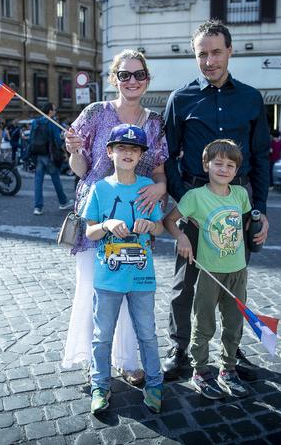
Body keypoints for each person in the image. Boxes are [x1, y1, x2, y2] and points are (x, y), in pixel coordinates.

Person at [161, 19, 269, 381]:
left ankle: (230, 351)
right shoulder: (180, 99)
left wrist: (260, 212)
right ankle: (180, 350)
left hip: (237, 205)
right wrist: (187, 197)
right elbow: (167, 155)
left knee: (230, 280)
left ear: (230, 51)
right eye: (201, 54)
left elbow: (261, 159)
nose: (209, 61)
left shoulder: (252, 98)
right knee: (185, 284)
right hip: (195, 207)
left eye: (216, 52)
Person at [62, 49, 169, 386]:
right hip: (97, 212)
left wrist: (159, 189)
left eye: (138, 75)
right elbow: (80, 171)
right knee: (96, 289)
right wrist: (75, 150)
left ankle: (127, 359)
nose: (132, 81)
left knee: (129, 286)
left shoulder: (154, 121)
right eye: (125, 75)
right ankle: (95, 361)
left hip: (137, 211)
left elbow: (161, 172)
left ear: (147, 79)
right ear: (114, 79)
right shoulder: (94, 112)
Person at [82, 123, 164, 415]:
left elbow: (160, 226)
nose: (127, 153)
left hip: (142, 276)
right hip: (108, 277)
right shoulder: (101, 188)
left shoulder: (146, 188)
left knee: (147, 334)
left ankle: (155, 383)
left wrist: (149, 225)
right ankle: (100, 386)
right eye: (121, 148)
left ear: (140, 154)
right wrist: (105, 225)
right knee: (102, 335)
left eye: (134, 149)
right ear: (110, 152)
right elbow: (90, 231)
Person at [164, 139, 251, 399]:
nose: (224, 169)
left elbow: (244, 220)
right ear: (206, 165)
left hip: (238, 271)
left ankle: (228, 369)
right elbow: (169, 220)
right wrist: (182, 237)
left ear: (236, 170)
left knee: (234, 324)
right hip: (209, 273)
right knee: (204, 324)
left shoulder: (241, 194)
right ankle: (200, 371)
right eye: (218, 163)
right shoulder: (195, 197)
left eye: (230, 165)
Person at [28, 103, 74, 214]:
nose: (55, 111)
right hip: (49, 155)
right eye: (54, 110)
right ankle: (63, 202)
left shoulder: (35, 122)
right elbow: (57, 140)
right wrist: (62, 151)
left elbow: (31, 138)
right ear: (50, 111)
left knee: (38, 181)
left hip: (38, 155)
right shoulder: (52, 123)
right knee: (55, 179)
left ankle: (37, 207)